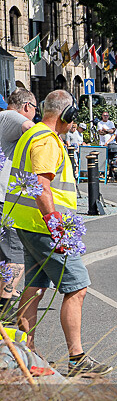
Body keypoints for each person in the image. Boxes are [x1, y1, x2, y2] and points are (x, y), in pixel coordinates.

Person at [5, 89, 110, 376]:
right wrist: (56, 226)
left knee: (35, 288)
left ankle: (26, 355)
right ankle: (76, 359)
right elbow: (41, 185)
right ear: (67, 115)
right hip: (45, 227)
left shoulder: (31, 134)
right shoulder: (47, 140)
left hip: (26, 222)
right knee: (77, 286)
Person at [0, 88, 36, 315]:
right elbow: (35, 132)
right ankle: (4, 310)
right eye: (34, 109)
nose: (35, 114)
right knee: (15, 256)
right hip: (5, 199)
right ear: (26, 106)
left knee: (5, 255)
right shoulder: (12, 117)